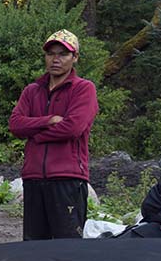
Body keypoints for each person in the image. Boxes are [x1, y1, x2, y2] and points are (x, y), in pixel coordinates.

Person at [8, 29, 99, 240]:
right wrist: (48, 120)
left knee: (66, 245)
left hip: (67, 179)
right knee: (33, 245)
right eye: (51, 54)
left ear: (74, 57)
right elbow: (15, 125)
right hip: (33, 179)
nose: (55, 59)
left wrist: (36, 135)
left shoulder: (84, 89)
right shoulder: (32, 91)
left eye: (63, 54)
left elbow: (73, 127)